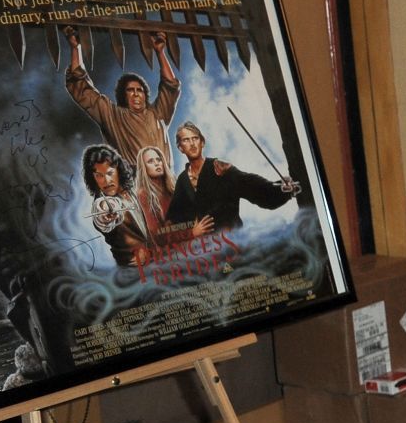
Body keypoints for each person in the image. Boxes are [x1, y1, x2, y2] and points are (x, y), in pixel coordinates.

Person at [65, 28, 181, 172]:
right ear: (123, 95)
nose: (136, 94)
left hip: (166, 181)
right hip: (135, 184)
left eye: (140, 90)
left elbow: (171, 87)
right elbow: (81, 87)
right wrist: (76, 48)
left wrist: (160, 52)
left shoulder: (157, 114)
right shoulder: (114, 116)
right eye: (130, 90)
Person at [165, 122, 299, 233]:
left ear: (202, 142)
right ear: (180, 147)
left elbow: (251, 185)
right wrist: (191, 232)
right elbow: (173, 219)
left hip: (233, 243)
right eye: (186, 140)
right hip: (206, 252)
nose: (192, 143)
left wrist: (281, 189)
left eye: (195, 138)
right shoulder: (183, 180)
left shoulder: (220, 168)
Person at [81, 144, 148, 269]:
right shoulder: (101, 203)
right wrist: (106, 214)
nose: (106, 181)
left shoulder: (134, 185)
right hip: (132, 268)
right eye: (99, 175)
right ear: (93, 178)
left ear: (118, 170)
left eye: (110, 173)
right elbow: (102, 213)